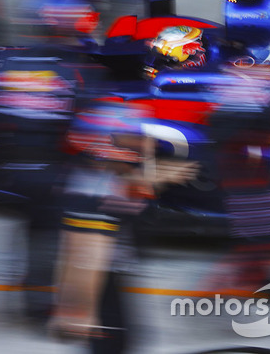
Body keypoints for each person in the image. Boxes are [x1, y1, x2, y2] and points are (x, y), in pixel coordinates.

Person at [50, 99, 198, 353]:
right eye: (134, 139)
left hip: (114, 279)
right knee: (115, 338)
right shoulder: (91, 192)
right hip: (101, 295)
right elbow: (85, 261)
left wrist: (163, 176)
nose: (144, 146)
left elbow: (139, 188)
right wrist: (80, 312)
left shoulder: (107, 177)